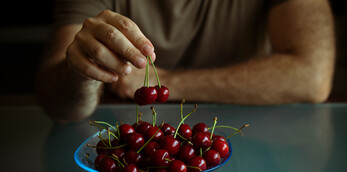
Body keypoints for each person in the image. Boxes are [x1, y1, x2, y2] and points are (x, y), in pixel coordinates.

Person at [36, 0, 335, 122]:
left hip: (253, 142)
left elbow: (312, 76)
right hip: (142, 171)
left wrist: (168, 82)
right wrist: (83, 70)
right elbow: (59, 106)